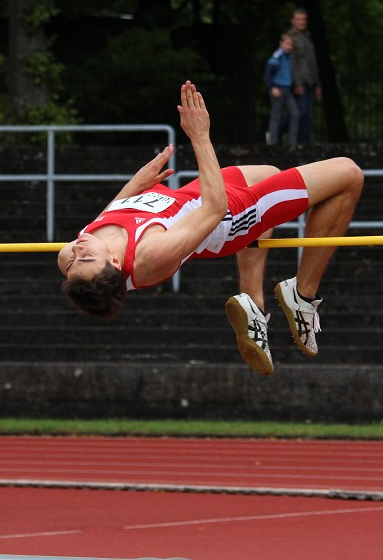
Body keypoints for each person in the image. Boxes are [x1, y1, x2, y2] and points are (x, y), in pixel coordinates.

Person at [58, 81, 362, 377]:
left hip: (192, 196)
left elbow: (105, 219)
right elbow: (214, 211)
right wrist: (200, 135)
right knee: (348, 174)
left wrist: (136, 185)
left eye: (73, 262)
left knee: (271, 173)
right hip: (230, 213)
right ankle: (303, 295)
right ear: (113, 263)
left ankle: (253, 305)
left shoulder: (70, 254)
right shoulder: (150, 256)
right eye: (84, 259)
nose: (77, 251)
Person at [287, 7, 321, 145]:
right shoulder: (290, 38)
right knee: (298, 114)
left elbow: (312, 63)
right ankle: (293, 141)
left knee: (307, 115)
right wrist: (297, 83)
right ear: (293, 21)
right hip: (299, 83)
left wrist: (317, 84)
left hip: (309, 82)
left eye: (304, 19)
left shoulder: (307, 37)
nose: (302, 22)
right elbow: (291, 62)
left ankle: (304, 143)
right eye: (299, 19)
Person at [265, 33, 300, 146]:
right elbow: (268, 74)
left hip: (287, 89)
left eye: (291, 45)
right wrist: (273, 87)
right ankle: (273, 141)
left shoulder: (291, 57)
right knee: (276, 115)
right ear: (282, 43)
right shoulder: (277, 56)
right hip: (278, 89)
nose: (289, 47)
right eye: (287, 44)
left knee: (295, 113)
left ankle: (292, 142)